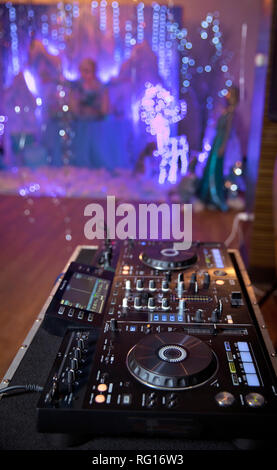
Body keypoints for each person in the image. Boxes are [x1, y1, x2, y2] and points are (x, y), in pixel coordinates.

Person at [197, 86, 240, 211]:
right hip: (216, 141)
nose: (227, 95)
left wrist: (223, 146)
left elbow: (228, 132)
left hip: (221, 142)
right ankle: (207, 196)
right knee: (211, 168)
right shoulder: (226, 110)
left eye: (229, 93)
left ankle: (215, 197)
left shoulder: (231, 112)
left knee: (215, 170)